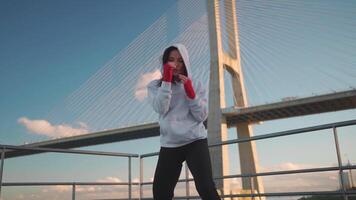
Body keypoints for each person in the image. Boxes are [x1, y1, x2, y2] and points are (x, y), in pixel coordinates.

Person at [147, 43, 220, 200]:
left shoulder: (196, 84)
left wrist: (190, 92)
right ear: (165, 62)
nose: (175, 64)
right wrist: (166, 81)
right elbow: (161, 108)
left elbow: (202, 116)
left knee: (206, 187)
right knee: (160, 192)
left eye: (180, 60)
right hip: (170, 144)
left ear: (185, 62)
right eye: (171, 60)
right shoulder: (154, 86)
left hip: (195, 141)